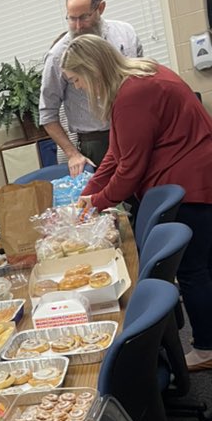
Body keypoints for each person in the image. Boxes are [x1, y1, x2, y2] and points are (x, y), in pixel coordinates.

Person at [62, 33, 212, 371]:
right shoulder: (138, 77)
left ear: (92, 69)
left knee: (193, 271)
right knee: (203, 267)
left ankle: (205, 348)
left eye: (77, 81)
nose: (80, 89)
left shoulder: (133, 95)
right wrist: (87, 198)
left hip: (189, 182)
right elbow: (116, 154)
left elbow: (131, 169)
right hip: (195, 175)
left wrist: (97, 203)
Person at [39, 0, 143, 177]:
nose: (77, 26)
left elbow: (141, 83)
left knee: (146, 195)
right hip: (97, 142)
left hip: (137, 129)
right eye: (71, 19)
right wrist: (72, 154)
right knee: (113, 201)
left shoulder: (125, 34)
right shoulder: (58, 55)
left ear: (100, 8)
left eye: (84, 17)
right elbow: (47, 113)